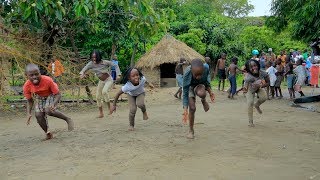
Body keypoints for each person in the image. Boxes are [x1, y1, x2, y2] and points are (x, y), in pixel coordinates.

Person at [23, 64, 74, 140]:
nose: (34, 77)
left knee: (48, 110)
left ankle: (67, 119)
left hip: (51, 94)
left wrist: (54, 104)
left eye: (36, 74)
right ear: (27, 76)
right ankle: (48, 133)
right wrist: (28, 113)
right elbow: (30, 101)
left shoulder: (48, 80)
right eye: (31, 75)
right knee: (38, 115)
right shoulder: (26, 86)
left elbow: (58, 94)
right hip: (40, 97)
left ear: (40, 73)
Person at [80, 50, 121, 118]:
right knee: (98, 97)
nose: (94, 59)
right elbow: (84, 69)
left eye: (95, 57)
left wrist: (118, 74)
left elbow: (115, 65)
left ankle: (110, 107)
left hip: (108, 80)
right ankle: (101, 113)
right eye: (92, 57)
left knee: (104, 92)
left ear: (98, 57)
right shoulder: (91, 63)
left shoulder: (105, 62)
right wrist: (82, 74)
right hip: (101, 81)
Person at [182, 59, 215, 139]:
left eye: (200, 74)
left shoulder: (206, 69)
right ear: (191, 71)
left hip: (200, 86)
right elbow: (185, 92)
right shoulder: (187, 74)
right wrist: (185, 109)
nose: (198, 77)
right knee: (192, 108)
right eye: (196, 75)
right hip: (190, 86)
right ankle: (191, 130)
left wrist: (210, 92)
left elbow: (206, 83)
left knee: (202, 93)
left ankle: (203, 100)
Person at [243, 59, 270, 127]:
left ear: (258, 65)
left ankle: (257, 105)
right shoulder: (248, 76)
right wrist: (245, 90)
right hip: (250, 89)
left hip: (258, 88)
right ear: (248, 69)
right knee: (250, 102)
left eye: (255, 65)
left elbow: (268, 82)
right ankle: (250, 122)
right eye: (251, 67)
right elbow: (245, 85)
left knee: (264, 97)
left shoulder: (263, 73)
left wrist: (261, 85)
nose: (254, 68)